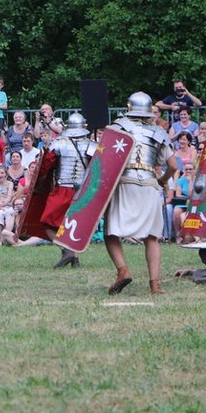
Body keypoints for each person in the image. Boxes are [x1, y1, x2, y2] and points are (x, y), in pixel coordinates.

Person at [105, 92, 177, 295]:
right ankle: (155, 285)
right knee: (152, 236)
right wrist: (162, 180)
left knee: (111, 232)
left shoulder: (117, 129)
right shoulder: (158, 132)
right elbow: (172, 165)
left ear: (129, 108)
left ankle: (123, 271)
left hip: (124, 183)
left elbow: (104, 161)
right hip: (149, 183)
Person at [37, 112, 95, 267]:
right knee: (74, 225)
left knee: (47, 223)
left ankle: (67, 251)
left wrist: (41, 182)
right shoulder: (92, 145)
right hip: (83, 192)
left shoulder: (59, 144)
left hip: (63, 189)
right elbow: (98, 169)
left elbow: (45, 166)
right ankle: (75, 259)